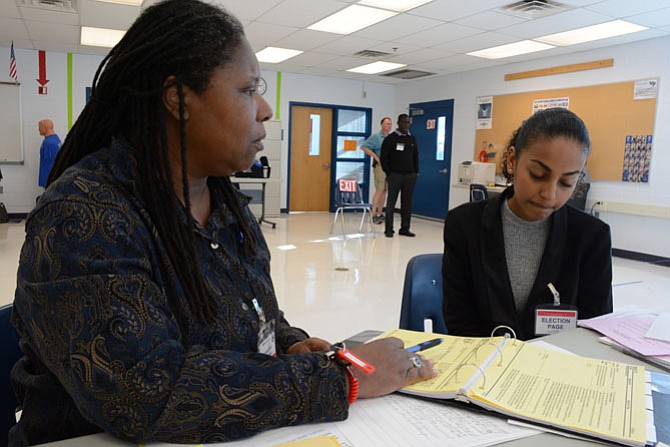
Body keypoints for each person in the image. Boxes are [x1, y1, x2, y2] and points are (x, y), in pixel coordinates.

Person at [9, 1, 436, 446]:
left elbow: (250, 308)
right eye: (248, 90)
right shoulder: (84, 213)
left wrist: (289, 341)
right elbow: (145, 396)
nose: (266, 109)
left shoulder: (223, 200)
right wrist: (341, 379)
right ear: (179, 99)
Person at [442, 108, 613, 340]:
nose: (550, 194)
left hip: (556, 366)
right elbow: (459, 319)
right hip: (484, 364)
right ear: (512, 161)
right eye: (538, 175)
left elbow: (594, 327)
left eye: (566, 182)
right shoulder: (463, 225)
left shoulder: (591, 237)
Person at [380, 113, 419, 238]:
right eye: (403, 122)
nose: (406, 125)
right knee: (391, 203)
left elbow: (415, 156)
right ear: (398, 123)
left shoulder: (412, 138)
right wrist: (389, 173)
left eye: (408, 122)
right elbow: (384, 158)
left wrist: (415, 172)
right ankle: (389, 229)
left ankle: (405, 228)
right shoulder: (390, 139)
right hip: (395, 175)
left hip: (410, 176)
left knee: (407, 203)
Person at [360, 116, 392, 224]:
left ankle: (380, 213)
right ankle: (373, 214)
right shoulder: (376, 137)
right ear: (382, 125)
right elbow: (364, 147)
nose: (389, 126)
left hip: (389, 167)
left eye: (390, 124)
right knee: (379, 189)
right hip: (380, 167)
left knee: (384, 190)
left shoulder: (391, 138)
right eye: (387, 123)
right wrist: (375, 157)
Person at [37, 118, 61, 188]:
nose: (39, 129)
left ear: (45, 128)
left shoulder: (49, 143)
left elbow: (51, 163)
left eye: (40, 127)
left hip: (51, 179)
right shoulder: (54, 139)